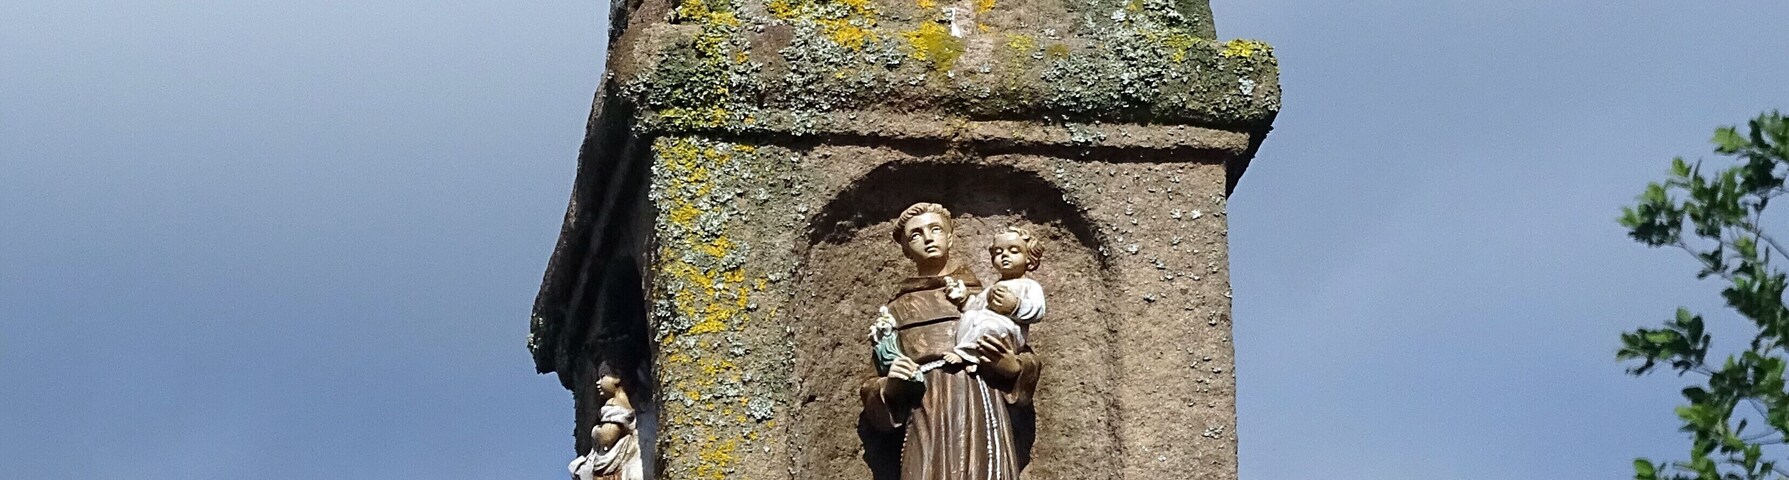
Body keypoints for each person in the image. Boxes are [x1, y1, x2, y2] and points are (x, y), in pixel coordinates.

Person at [860, 203, 1041, 480]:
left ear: (950, 236)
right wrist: (890, 386)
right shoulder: (897, 310)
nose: (928, 238)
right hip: (925, 409)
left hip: (980, 403)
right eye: (916, 235)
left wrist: (1012, 368)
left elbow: (1024, 353)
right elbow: (872, 385)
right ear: (906, 250)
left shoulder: (982, 296)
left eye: (935, 229)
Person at [944, 226, 1046, 370]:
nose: (1004, 255)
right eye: (998, 252)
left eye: (1014, 251)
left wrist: (1015, 306)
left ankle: (967, 355)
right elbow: (976, 306)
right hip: (987, 325)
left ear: (1029, 258)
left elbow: (1038, 310)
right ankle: (971, 357)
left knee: (990, 325)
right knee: (969, 316)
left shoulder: (1029, 285)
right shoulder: (993, 288)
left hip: (1009, 333)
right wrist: (962, 299)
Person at [569, 363, 643, 480]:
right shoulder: (629, 404)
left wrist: (595, 431)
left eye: (603, 376)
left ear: (617, 377)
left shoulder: (613, 403)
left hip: (614, 463)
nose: (598, 382)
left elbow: (607, 436)